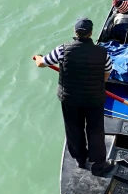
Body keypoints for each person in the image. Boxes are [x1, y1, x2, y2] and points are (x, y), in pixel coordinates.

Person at [34, 19, 116, 176]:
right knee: (96, 130)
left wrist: (38, 57)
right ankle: (99, 165)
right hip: (94, 99)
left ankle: (80, 159)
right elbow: (107, 71)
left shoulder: (62, 50)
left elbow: (42, 63)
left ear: (75, 32)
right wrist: (98, 85)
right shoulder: (102, 53)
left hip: (70, 99)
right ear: (91, 33)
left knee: (74, 129)